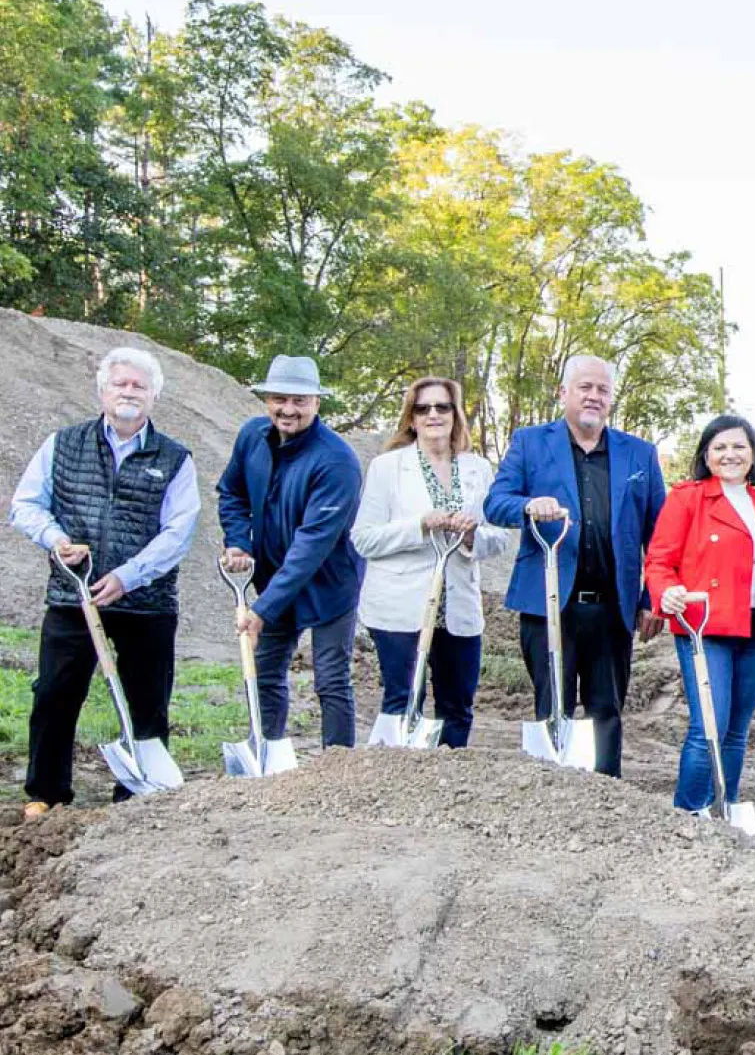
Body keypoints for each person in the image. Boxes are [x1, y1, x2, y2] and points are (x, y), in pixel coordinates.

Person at [9, 347, 199, 816]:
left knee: (147, 700)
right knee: (54, 693)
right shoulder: (63, 444)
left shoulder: (175, 458)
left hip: (147, 602)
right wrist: (56, 540)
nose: (129, 392)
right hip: (73, 593)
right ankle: (46, 793)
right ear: (102, 392)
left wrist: (128, 577)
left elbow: (178, 532)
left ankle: (137, 796)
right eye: (120, 384)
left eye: (139, 386)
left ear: (154, 396)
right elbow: (26, 505)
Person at [484, 355, 666, 778]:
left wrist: (650, 597)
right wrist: (529, 505)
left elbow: (660, 535)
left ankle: (606, 797)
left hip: (612, 608)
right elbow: (495, 503)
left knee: (607, 711)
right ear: (563, 392)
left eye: (603, 390)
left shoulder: (640, 454)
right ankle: (551, 794)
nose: (593, 396)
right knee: (553, 708)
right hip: (548, 603)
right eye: (585, 387)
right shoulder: (530, 442)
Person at [351, 377, 514, 748]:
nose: (433, 415)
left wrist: (472, 536)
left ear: (455, 415)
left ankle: (448, 776)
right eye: (423, 408)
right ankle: (397, 774)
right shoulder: (387, 467)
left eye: (442, 407)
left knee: (457, 705)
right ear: (411, 418)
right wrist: (420, 525)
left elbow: (501, 538)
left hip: (457, 603)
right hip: (399, 603)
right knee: (403, 701)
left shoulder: (477, 468)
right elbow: (364, 538)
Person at [646, 414, 755, 813]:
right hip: (705, 625)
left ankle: (724, 812)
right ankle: (688, 815)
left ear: (753, 454)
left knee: (736, 731)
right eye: (720, 447)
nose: (730, 454)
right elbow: (659, 560)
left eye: (739, 446)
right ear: (706, 456)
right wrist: (667, 592)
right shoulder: (688, 498)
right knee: (709, 728)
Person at [216, 355, 364, 749]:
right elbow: (231, 492)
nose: (288, 409)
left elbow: (312, 546)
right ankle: (268, 756)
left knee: (330, 679)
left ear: (317, 403)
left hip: (329, 585)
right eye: (279, 399)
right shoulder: (252, 437)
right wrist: (238, 541)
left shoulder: (337, 461)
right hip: (274, 578)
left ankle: (340, 766)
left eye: (300, 401)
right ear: (267, 400)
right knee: (265, 673)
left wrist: (262, 610)